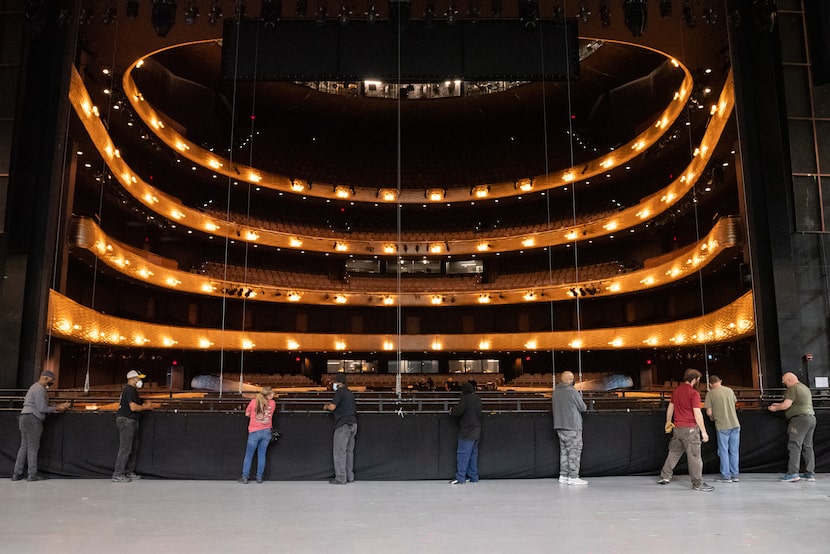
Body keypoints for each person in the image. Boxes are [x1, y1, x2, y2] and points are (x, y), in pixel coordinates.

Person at [658, 368, 713, 491]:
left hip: (677, 428)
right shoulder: (694, 393)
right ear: (694, 379)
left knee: (673, 453)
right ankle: (697, 483)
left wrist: (668, 422)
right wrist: (704, 431)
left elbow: (670, 408)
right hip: (690, 430)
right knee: (694, 457)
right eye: (698, 379)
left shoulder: (676, 391)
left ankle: (665, 476)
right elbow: (697, 413)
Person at [12, 370, 71, 482]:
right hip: (33, 419)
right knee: (33, 447)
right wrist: (58, 407)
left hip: (24, 417)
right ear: (44, 378)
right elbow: (42, 408)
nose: (51, 383)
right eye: (51, 380)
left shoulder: (33, 387)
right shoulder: (40, 389)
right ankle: (32, 474)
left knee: (24, 446)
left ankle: (17, 473)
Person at [768, 372, 816, 482]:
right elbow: (795, 403)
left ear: (789, 380)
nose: (785, 385)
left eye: (785, 383)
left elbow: (786, 405)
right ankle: (809, 473)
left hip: (799, 420)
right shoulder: (804, 388)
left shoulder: (792, 388)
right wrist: (778, 404)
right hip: (810, 418)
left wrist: (774, 408)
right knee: (807, 446)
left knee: (794, 445)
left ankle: (793, 473)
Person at [112, 370, 156, 483]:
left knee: (132, 448)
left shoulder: (131, 390)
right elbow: (133, 407)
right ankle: (118, 474)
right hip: (127, 420)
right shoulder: (129, 389)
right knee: (125, 448)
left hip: (131, 420)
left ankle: (128, 471)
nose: (140, 381)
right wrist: (147, 407)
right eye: (139, 378)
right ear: (133, 379)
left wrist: (145, 402)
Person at [553, 370, 588, 485]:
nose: (573, 380)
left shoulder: (556, 392)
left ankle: (563, 475)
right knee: (574, 452)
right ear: (569, 380)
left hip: (560, 426)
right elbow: (583, 407)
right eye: (572, 378)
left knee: (564, 452)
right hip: (572, 426)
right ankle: (573, 476)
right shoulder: (572, 391)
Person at [704, 375, 740, 482]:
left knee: (723, 451)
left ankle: (726, 476)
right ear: (720, 381)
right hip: (735, 424)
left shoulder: (710, 393)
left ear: (710, 384)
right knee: (734, 451)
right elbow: (734, 403)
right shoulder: (729, 390)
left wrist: (712, 417)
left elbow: (709, 412)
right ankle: (735, 475)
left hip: (722, 425)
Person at [323, 373, 357, 484]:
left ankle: (341, 478)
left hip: (343, 425)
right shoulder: (350, 393)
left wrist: (326, 406)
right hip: (353, 424)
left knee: (339, 452)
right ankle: (350, 476)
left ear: (338, 382)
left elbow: (332, 407)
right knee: (349, 452)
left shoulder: (339, 392)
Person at [239, 386, 276, 484]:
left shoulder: (253, 402)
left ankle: (245, 477)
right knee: (262, 454)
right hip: (266, 431)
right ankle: (259, 477)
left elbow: (247, 414)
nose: (274, 395)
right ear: (268, 395)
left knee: (249, 455)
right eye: (272, 394)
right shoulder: (272, 403)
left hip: (254, 431)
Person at [450, 380, 482, 485]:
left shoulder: (465, 399)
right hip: (477, 430)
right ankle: (473, 477)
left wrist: (451, 410)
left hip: (467, 431)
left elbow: (457, 412)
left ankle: (460, 478)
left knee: (463, 455)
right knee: (473, 455)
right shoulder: (478, 399)